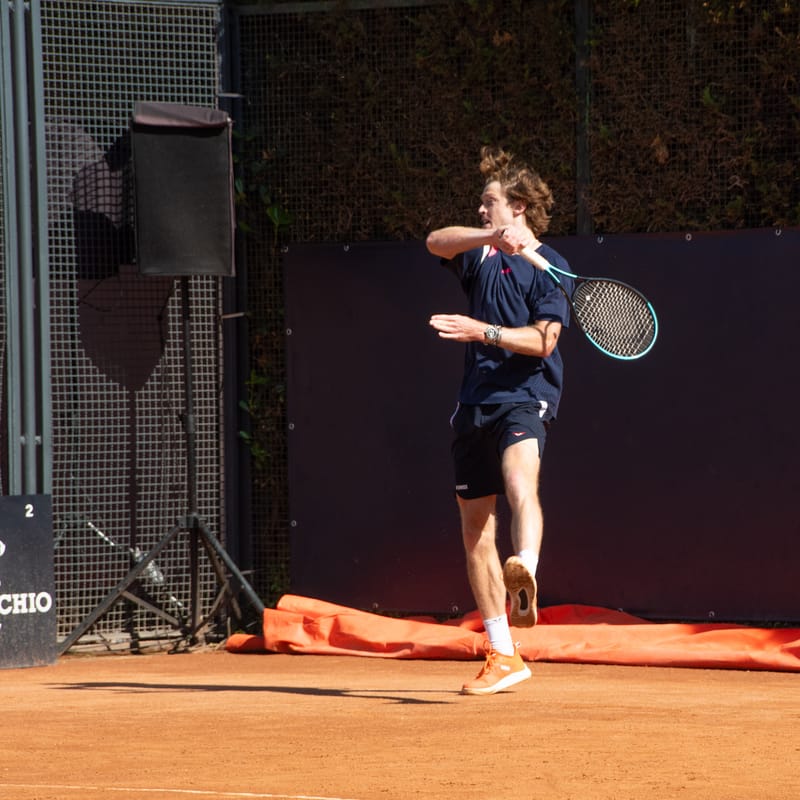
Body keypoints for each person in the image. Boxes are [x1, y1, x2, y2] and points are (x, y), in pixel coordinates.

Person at [426, 146, 573, 696]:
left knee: (519, 481)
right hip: (473, 404)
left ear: (517, 206)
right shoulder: (482, 254)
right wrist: (487, 238)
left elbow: (543, 341)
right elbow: (435, 241)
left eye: (489, 204)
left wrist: (481, 331)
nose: (481, 210)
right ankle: (503, 653)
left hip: (524, 395)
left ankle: (526, 567)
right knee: (474, 530)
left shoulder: (550, 267)